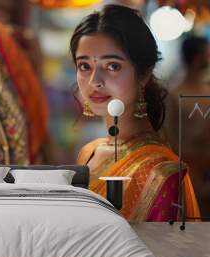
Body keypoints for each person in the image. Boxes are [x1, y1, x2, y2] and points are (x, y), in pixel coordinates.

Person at [70, 4, 200, 221]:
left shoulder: (160, 173)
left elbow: (164, 253)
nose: (95, 81)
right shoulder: (89, 153)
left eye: (112, 66)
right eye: (85, 66)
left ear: (143, 75)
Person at [164, 36, 210, 217]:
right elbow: (171, 141)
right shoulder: (175, 95)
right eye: (206, 53)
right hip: (189, 174)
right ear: (197, 57)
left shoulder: (207, 91)